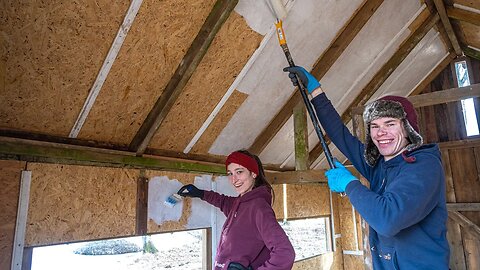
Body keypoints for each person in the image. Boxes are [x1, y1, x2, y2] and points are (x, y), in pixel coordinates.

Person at [283, 66, 450, 269]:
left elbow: (388, 219)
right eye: (374, 126)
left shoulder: (424, 166)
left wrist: (349, 184)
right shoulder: (378, 164)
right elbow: (340, 135)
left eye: (390, 124)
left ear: (407, 129)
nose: (381, 133)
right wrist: (315, 90)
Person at [177, 150, 295, 270]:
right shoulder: (240, 204)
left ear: (253, 173)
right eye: (230, 173)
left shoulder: (259, 208)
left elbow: (285, 253)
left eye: (239, 172)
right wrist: (200, 193)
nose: (234, 179)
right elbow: (222, 201)